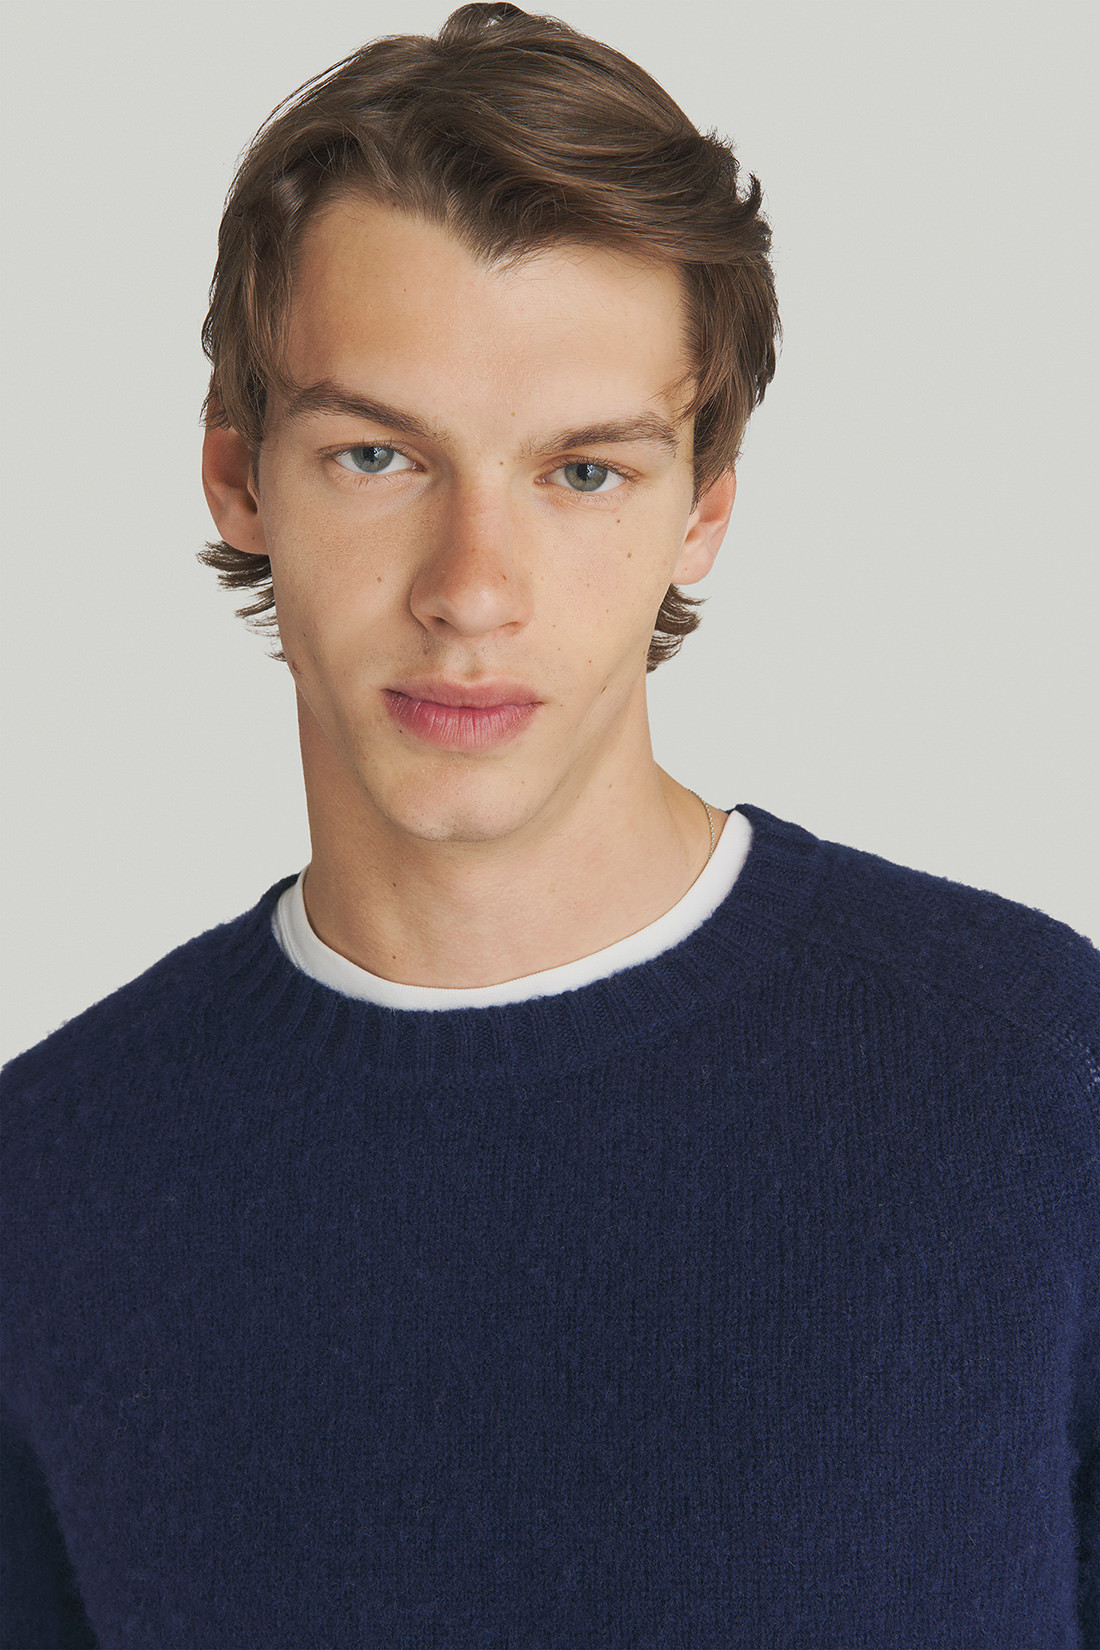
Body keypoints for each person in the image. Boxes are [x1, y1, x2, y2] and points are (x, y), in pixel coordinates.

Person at [2, 3, 1096, 1644]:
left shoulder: (1035, 1078)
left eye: (583, 472)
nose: (472, 590)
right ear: (239, 478)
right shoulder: (48, 1189)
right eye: (378, 454)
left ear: (701, 510)